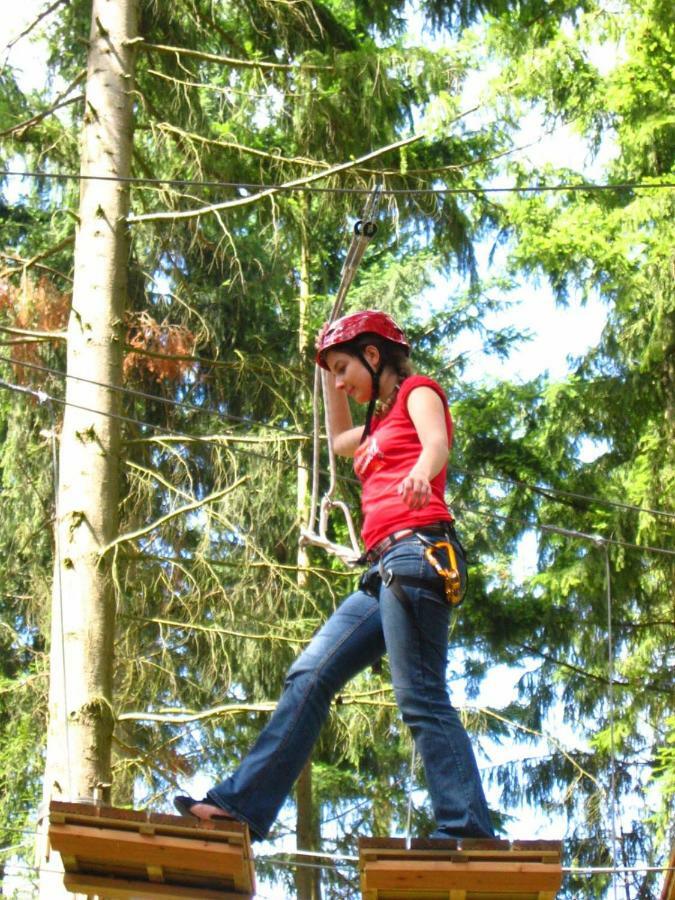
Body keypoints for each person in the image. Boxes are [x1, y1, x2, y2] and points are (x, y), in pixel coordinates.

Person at [174, 309, 495, 842]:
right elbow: (338, 435)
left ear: (374, 355)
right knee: (310, 675)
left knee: (420, 696)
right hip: (382, 571)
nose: (343, 381)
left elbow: (436, 444)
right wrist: (325, 365)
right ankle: (241, 807)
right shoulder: (371, 427)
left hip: (419, 553)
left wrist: (420, 472)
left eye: (347, 367)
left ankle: (465, 827)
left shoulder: (419, 391)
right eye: (336, 373)